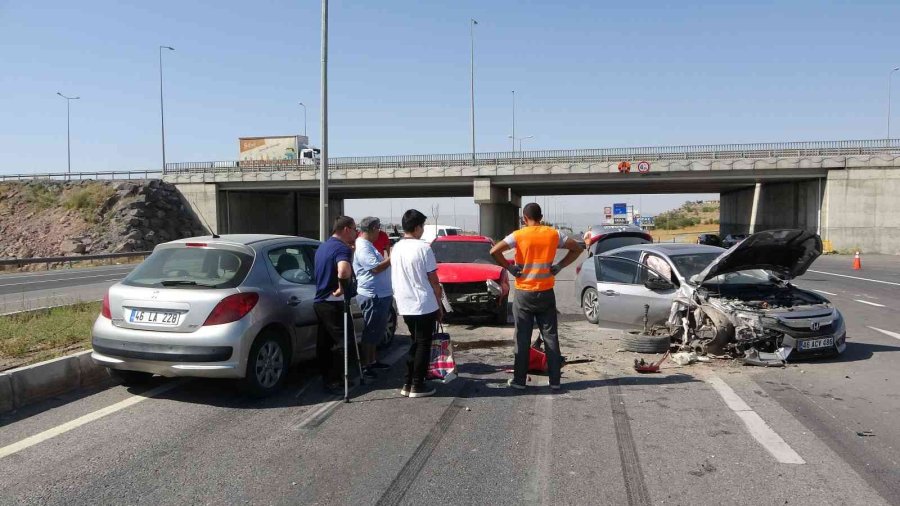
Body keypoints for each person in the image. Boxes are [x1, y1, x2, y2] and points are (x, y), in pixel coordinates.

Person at [490, 203, 583, 391]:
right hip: (546, 292)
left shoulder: (518, 235)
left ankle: (519, 381)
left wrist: (509, 268)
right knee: (550, 337)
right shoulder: (553, 234)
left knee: (522, 338)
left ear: (524, 218)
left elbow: (494, 251)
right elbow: (578, 248)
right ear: (541, 216)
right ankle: (555, 381)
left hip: (524, 293)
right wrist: (559, 266)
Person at [390, 209, 444, 398]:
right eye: (422, 226)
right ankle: (417, 384)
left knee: (415, 342)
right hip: (423, 303)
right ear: (417, 227)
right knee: (423, 344)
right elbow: (434, 281)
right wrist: (439, 305)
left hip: (405, 303)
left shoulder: (396, 248)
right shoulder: (424, 248)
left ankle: (408, 381)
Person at [314, 216, 360, 394]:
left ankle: (327, 378)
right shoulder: (342, 248)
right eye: (355, 229)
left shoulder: (323, 246)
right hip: (334, 303)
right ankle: (337, 380)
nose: (356, 233)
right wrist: (342, 287)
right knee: (342, 342)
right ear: (346, 229)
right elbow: (343, 269)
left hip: (320, 302)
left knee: (324, 343)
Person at [353, 216, 393, 377]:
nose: (379, 232)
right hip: (372, 295)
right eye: (377, 229)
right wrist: (392, 258)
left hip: (380, 294)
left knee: (377, 331)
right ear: (371, 229)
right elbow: (375, 268)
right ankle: (365, 365)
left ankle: (372, 361)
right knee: (370, 331)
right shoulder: (363, 247)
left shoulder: (368, 245)